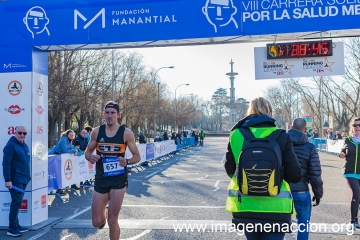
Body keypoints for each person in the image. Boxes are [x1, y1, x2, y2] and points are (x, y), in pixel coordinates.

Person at [224, 97, 302, 239]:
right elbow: (295, 175)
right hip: (276, 206)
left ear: (249, 112)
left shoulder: (236, 134)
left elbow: (229, 168)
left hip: (246, 205)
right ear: (270, 113)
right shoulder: (281, 136)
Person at [85, 101, 141, 240]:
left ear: (118, 115)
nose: (110, 116)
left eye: (113, 113)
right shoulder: (97, 132)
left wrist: (127, 161)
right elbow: (87, 152)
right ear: (103, 114)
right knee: (96, 222)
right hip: (101, 179)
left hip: (118, 179)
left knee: (113, 220)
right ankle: (103, 218)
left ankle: (110, 220)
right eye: (107, 113)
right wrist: (90, 157)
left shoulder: (126, 133)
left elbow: (137, 156)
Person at [288, 118, 323, 240]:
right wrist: (318, 194)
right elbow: (315, 173)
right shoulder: (310, 147)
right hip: (301, 190)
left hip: (282, 190)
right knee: (303, 223)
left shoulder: (281, 144)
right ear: (305, 130)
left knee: (278, 226)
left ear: (291, 128)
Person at [2, 126, 31, 237]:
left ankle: (16, 225)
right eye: (20, 133)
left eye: (24, 133)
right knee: (16, 203)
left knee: (17, 203)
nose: (22, 135)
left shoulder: (24, 146)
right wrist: (8, 180)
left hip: (23, 179)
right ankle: (12, 228)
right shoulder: (10, 146)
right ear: (15, 132)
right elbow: (6, 163)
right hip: (15, 180)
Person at [339, 117, 360, 229]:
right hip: (350, 171)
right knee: (356, 193)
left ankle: (356, 220)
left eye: (359, 125)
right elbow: (343, 149)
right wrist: (342, 153)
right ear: (352, 127)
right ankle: (352, 221)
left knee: (359, 196)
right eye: (355, 125)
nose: (357, 127)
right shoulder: (348, 139)